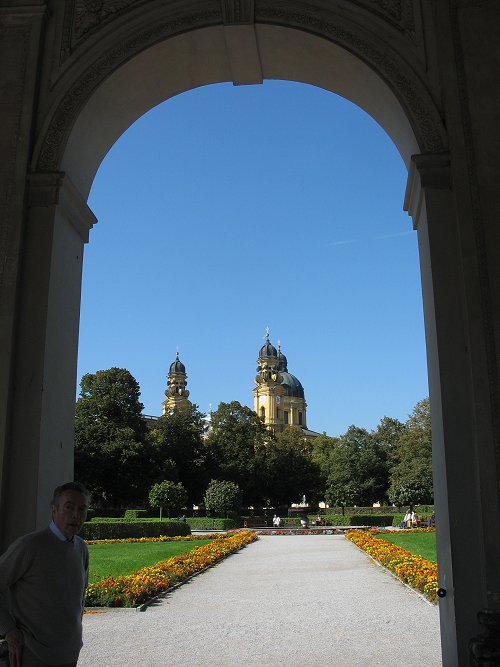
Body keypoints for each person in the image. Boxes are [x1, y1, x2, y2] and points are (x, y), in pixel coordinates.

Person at [0, 482, 90, 667]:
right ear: (53, 510)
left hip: (69, 655)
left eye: (82, 509)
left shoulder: (81, 548)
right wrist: (8, 630)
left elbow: (79, 599)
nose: (76, 515)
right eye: (69, 507)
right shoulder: (29, 546)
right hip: (33, 655)